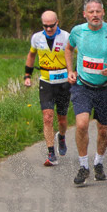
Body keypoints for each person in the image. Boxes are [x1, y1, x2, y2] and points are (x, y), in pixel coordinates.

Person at [64, 0, 107, 185]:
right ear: (85, 14)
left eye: (98, 11)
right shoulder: (77, 31)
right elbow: (68, 49)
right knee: (82, 124)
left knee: (103, 129)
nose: (95, 15)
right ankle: (83, 166)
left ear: (103, 13)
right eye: (91, 12)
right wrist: (70, 71)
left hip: (106, 88)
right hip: (82, 86)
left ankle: (98, 163)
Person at [23, 11, 71, 166]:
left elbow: (80, 53)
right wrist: (27, 75)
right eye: (46, 26)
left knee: (62, 119)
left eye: (52, 25)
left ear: (58, 22)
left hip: (64, 83)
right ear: (42, 24)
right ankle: (51, 153)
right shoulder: (37, 38)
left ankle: (61, 137)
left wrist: (75, 71)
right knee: (47, 117)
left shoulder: (66, 37)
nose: (49, 29)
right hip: (46, 82)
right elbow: (31, 56)